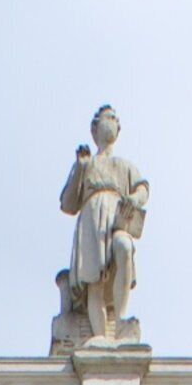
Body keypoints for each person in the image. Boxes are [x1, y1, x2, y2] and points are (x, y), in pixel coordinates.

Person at [55, 105, 148, 349]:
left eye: (115, 118)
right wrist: (80, 167)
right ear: (94, 128)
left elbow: (142, 189)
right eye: (108, 117)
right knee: (93, 278)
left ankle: (120, 321)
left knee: (124, 247)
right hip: (91, 219)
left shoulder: (124, 165)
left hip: (116, 216)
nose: (112, 121)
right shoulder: (87, 164)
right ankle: (99, 335)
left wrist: (134, 199)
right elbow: (68, 204)